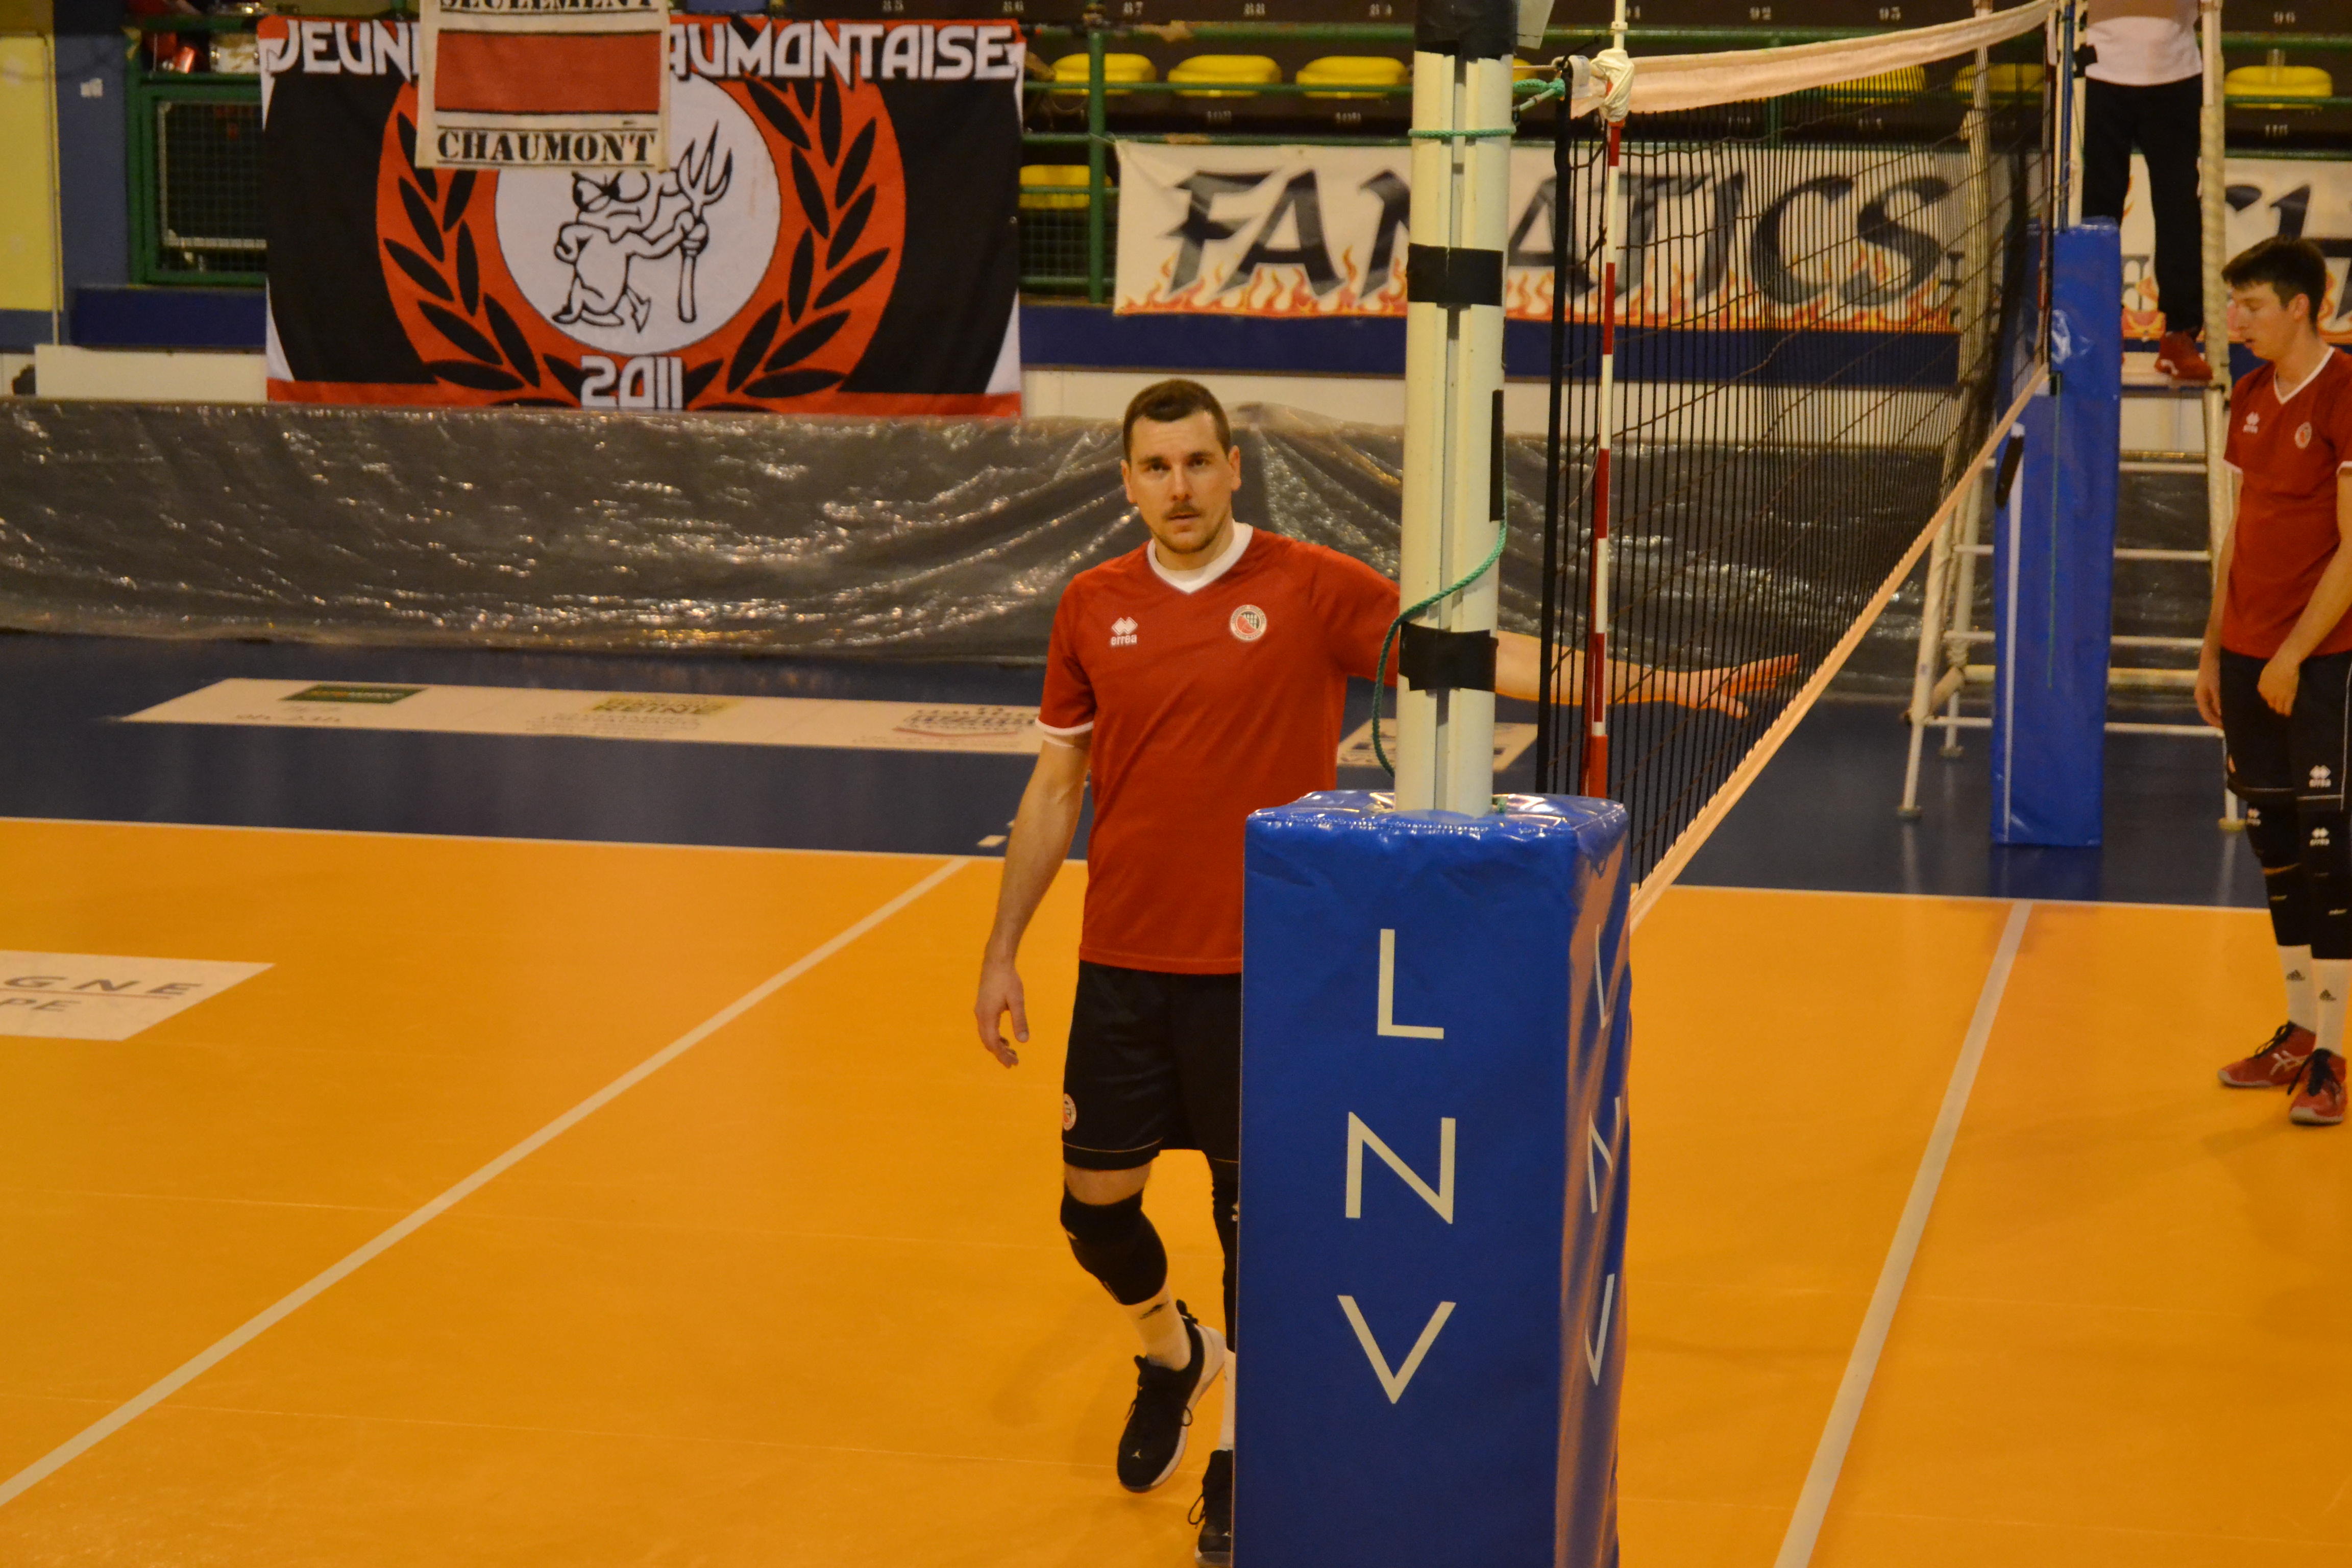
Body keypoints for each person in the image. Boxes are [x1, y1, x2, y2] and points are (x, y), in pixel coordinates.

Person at [970, 378, 1796, 1564]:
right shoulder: (1093, 604)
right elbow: (1057, 785)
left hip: (1270, 969)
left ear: (1234, 466)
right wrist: (1003, 948)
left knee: (1257, 1235)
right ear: (1127, 482)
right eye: (1156, 467)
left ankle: (1239, 1458)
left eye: (1198, 462)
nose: (1180, 487)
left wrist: (1658, 683)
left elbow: (1476, 655)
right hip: (1124, 963)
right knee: (1092, 1211)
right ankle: (1174, 1353)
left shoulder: (1309, 587)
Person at [2199, 238, 2352, 1125]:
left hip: (2322, 661)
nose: (2236, 320)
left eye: (2251, 304)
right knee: (2276, 846)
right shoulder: (2251, 395)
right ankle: (2297, 1031)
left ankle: (2333, 1053)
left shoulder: (2344, 390)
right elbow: (2240, 532)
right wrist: (2212, 650)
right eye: (2233, 304)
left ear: (2301, 307)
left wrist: (2292, 654)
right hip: (2249, 654)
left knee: (2330, 854)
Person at [2080, 0, 2213, 384]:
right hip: (2097, 72)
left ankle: (2180, 335)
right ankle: (2099, 332)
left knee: (2179, 208)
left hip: (2175, 74)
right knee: (2097, 211)